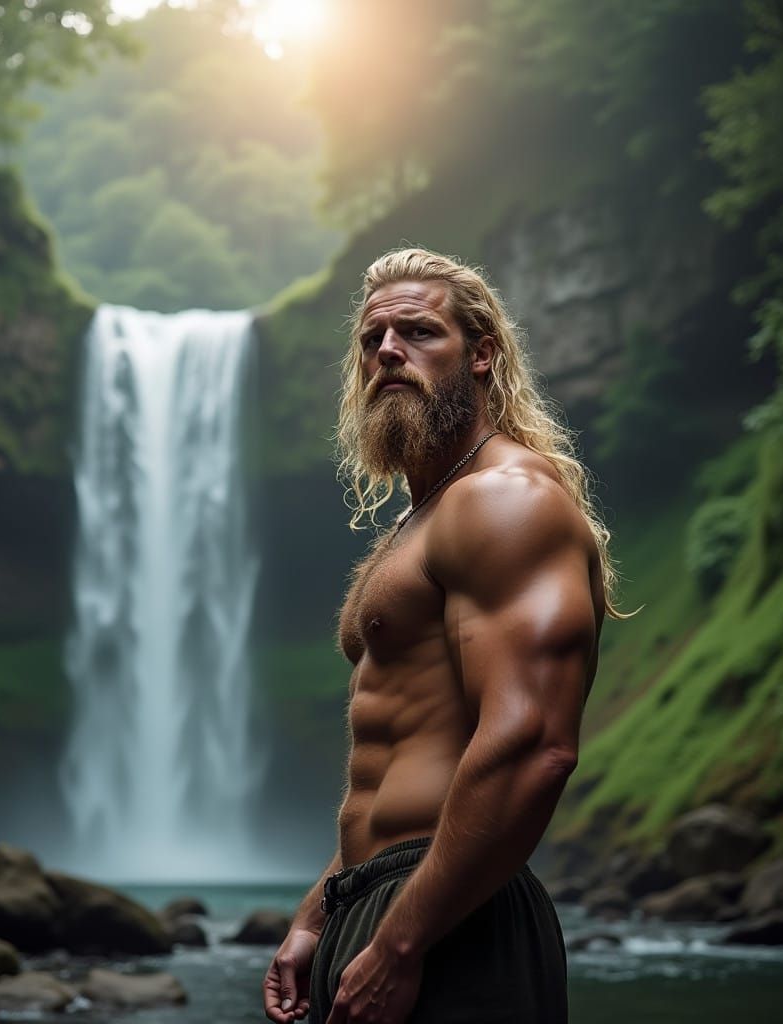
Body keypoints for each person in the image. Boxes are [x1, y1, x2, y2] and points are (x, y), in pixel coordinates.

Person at [263, 248, 617, 1024]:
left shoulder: (505, 500)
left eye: (418, 332)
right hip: (387, 906)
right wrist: (318, 918)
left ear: (483, 354)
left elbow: (533, 746)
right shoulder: (416, 526)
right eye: (371, 340)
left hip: (452, 916)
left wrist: (400, 945)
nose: (387, 351)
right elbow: (394, 771)